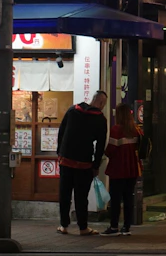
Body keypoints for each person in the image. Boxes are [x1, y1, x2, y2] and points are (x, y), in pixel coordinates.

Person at [56, 89, 108, 236]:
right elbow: (100, 145)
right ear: (101, 102)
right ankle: (83, 228)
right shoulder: (100, 119)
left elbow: (61, 132)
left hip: (66, 160)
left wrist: (60, 153)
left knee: (64, 194)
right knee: (81, 197)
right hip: (84, 163)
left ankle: (64, 225)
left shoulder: (73, 110)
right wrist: (96, 165)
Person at [102, 102, 144, 236]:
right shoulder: (136, 129)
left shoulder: (116, 130)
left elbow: (110, 150)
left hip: (118, 169)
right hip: (133, 169)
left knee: (115, 199)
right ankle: (126, 226)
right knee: (128, 198)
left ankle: (114, 226)